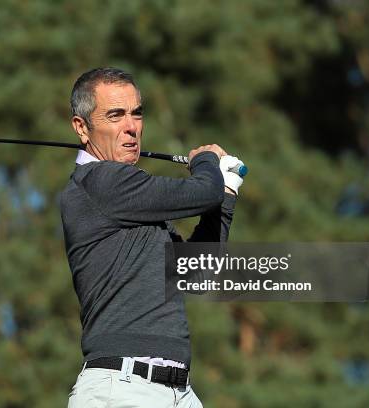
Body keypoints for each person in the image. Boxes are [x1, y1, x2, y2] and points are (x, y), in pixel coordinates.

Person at [60, 67, 243, 408]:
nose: (131, 127)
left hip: (177, 392)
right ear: (81, 127)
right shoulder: (100, 182)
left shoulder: (134, 206)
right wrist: (205, 161)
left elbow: (196, 273)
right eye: (115, 115)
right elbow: (202, 192)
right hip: (123, 389)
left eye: (136, 113)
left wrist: (227, 192)